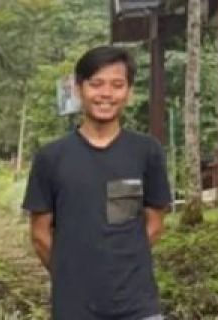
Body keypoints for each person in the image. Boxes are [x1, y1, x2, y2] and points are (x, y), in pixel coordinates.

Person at [23, 46, 172, 320]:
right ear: (79, 88)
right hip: (74, 308)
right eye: (96, 84)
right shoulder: (51, 157)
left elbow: (155, 222)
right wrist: (72, 275)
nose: (106, 94)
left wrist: (120, 264)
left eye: (117, 85)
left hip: (137, 306)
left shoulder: (147, 152)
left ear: (128, 92)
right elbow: (40, 234)